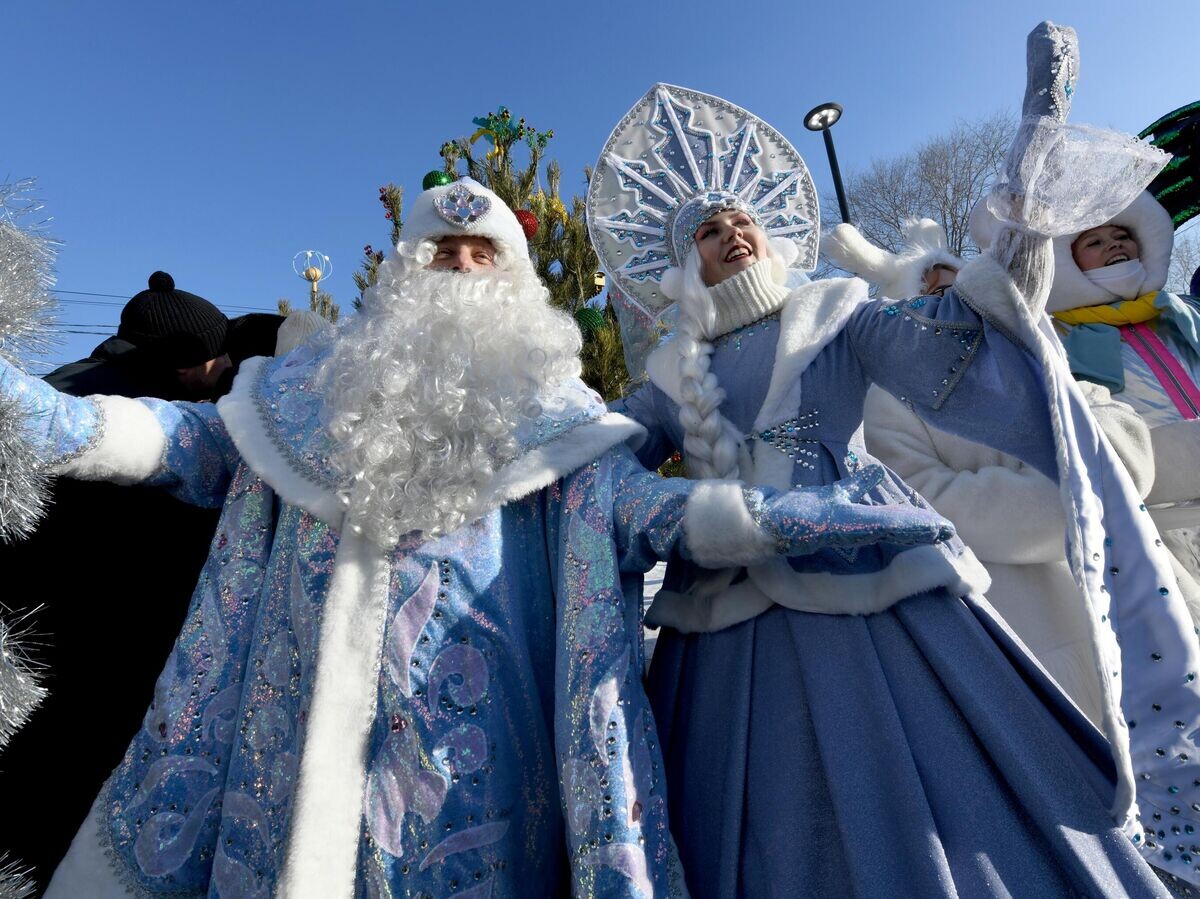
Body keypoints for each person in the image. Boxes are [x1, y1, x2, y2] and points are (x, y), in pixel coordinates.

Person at [0, 177, 948, 897]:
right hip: (280, 781)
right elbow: (179, 442)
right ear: (406, 271)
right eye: (441, 251)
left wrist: (816, 519)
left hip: (473, 801)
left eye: (480, 254)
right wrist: (29, 409)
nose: (458, 268)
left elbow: (645, 513)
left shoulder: (561, 421)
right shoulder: (296, 400)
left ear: (513, 281)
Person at [586, 26, 1200, 894]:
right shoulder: (670, 373)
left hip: (862, 571)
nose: (731, 233)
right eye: (709, 230)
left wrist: (1024, 213)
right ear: (686, 262)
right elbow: (606, 449)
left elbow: (954, 344)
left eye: (741, 219)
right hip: (719, 614)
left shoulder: (839, 314)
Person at [0, 273, 307, 891]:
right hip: (85, 639)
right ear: (177, 364)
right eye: (208, 362)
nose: (219, 371)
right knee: (58, 802)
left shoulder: (79, 384)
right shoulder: (107, 408)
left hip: (89, 639)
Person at [827, 219, 1162, 724]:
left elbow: (1118, 432)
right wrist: (1078, 500)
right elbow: (926, 498)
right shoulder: (889, 401)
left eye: (957, 289)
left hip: (1139, 592)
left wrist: (1097, 480)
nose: (948, 304)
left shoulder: (1040, 357)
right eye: (929, 295)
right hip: (1032, 620)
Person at [972, 188, 1200, 621]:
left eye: (1121, 235)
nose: (1115, 243)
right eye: (1094, 242)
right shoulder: (1058, 338)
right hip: (1162, 509)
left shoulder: (1182, 313)